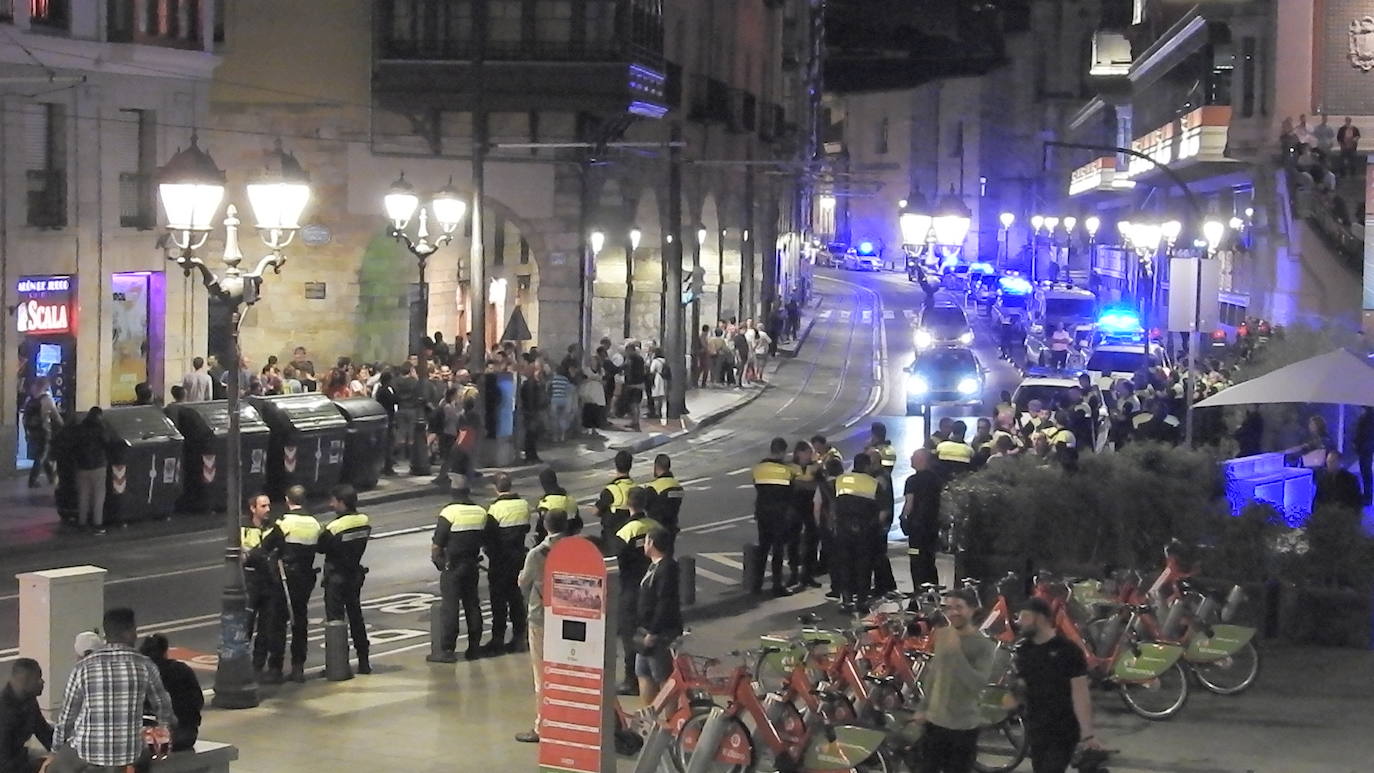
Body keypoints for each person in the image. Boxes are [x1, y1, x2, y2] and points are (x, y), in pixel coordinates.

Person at [50, 608, 173, 773]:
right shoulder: (145, 665)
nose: (136, 635)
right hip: (130, 753)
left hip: (88, 752)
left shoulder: (83, 667)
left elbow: (66, 718)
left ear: (107, 634)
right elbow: (164, 709)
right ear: (128, 632)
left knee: (55, 767)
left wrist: (56, 749)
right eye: (134, 630)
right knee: (144, 756)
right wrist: (166, 730)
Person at [1014, 598, 1101, 773]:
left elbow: (1080, 692)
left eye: (1024, 616)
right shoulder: (1023, 651)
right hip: (1036, 728)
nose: (1018, 622)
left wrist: (1087, 734)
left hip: (1063, 728)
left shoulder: (1068, 650)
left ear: (1039, 618)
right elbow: (1022, 686)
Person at [914, 589, 996, 773]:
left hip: (963, 727)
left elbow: (977, 684)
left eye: (959, 607)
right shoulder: (942, 635)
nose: (953, 612)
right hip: (935, 723)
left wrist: (956, 653)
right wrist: (922, 708)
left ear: (973, 609)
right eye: (948, 608)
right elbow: (933, 675)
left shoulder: (983, 645)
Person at [514, 506, 577, 743]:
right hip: (569, 617)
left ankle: (543, 726)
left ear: (546, 526)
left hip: (541, 617)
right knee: (567, 671)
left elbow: (523, 581)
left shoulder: (537, 553)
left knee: (542, 675)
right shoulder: (575, 549)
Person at [259, 485, 322, 682]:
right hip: (306, 578)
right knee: (300, 621)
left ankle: (275, 668)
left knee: (278, 623)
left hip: (285, 578)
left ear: (288, 501)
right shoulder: (314, 523)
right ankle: (298, 667)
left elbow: (267, 545)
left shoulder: (285, 522)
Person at [430, 478, 492, 664]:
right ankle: (474, 648)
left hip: (453, 566)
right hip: (472, 565)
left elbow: (437, 544)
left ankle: (448, 650)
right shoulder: (481, 512)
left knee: (450, 608)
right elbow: (486, 539)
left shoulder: (449, 512)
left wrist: (440, 563)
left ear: (453, 492)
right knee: (472, 605)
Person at [609, 488, 662, 695]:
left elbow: (616, 561)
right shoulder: (655, 526)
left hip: (630, 588)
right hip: (651, 585)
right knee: (648, 631)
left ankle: (631, 680)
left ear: (629, 505)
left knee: (629, 635)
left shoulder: (625, 532)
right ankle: (653, 675)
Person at [319, 484, 373, 674]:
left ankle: (339, 663)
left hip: (336, 577)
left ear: (342, 503)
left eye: (333, 501)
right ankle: (364, 660)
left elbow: (321, 546)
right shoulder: (364, 520)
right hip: (354, 576)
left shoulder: (335, 527)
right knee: (356, 618)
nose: (331, 504)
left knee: (336, 622)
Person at [485, 473, 534, 655]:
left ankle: (498, 639)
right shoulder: (524, 505)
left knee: (498, 600)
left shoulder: (494, 509)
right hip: (519, 557)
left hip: (499, 560)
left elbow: (490, 535)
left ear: (495, 488)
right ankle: (519, 636)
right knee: (516, 598)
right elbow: (526, 528)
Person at [241, 493, 287, 683]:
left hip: (269, 584)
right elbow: (242, 555)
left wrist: (255, 554)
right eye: (263, 506)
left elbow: (280, 550)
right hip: (250, 584)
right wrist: (259, 553)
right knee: (245, 628)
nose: (268, 509)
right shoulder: (243, 529)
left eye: (268, 506)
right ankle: (241, 665)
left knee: (266, 628)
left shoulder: (274, 529)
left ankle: (257, 666)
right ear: (253, 509)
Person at [635, 526, 682, 703]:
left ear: (652, 543)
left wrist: (653, 632)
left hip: (659, 633)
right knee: (643, 672)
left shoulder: (667, 568)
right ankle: (649, 717)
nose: (644, 545)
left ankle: (670, 720)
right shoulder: (654, 566)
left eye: (646, 541)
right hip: (645, 630)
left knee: (663, 678)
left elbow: (665, 603)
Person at [136, 635, 202, 751]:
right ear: (165, 651)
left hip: (154, 738)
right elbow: (198, 701)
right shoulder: (182, 670)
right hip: (186, 735)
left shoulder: (142, 673)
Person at [833, 453, 880, 612]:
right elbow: (879, 510)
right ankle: (861, 601)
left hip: (843, 529)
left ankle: (846, 600)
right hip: (864, 530)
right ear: (866, 466)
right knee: (863, 566)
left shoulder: (841, 479)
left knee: (845, 564)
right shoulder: (873, 483)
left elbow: (835, 504)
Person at [751, 437, 797, 597]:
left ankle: (756, 585)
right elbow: (791, 493)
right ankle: (777, 585)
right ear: (783, 451)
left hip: (763, 512)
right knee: (777, 551)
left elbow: (758, 487)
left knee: (762, 549)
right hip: (780, 514)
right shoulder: (787, 470)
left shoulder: (759, 468)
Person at [901, 449, 943, 599]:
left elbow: (909, 504)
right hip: (932, 527)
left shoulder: (912, 480)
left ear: (921, 460)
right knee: (929, 560)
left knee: (916, 561)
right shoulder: (936, 479)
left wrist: (903, 518)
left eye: (913, 457)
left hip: (916, 529)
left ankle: (919, 593)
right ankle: (932, 592)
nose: (911, 458)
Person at [0, 659, 51, 773]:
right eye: (38, 678)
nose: (42, 682)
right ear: (25, 680)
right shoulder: (4, 712)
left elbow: (43, 732)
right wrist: (41, 765)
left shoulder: (28, 700)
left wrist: (61, 753)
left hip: (19, 756)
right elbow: (4, 765)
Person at [787, 441, 821, 589]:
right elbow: (788, 487)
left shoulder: (816, 467)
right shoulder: (790, 468)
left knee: (812, 542)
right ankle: (794, 574)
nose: (810, 455)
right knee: (793, 542)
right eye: (808, 452)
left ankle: (809, 575)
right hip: (795, 508)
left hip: (811, 508)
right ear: (799, 453)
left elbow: (821, 484)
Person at [71, 408, 108, 534]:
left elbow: (73, 446)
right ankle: (97, 524)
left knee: (83, 495)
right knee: (98, 496)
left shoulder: (79, 429)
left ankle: (82, 523)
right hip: (98, 465)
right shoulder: (100, 428)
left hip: (82, 466)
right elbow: (107, 442)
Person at [21, 379, 61, 488]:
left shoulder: (30, 399)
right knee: (41, 455)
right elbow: (55, 416)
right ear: (45, 386)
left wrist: (26, 432)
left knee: (44, 454)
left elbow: (24, 419)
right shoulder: (47, 399)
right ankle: (32, 480)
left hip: (32, 431)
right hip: (44, 431)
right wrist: (63, 427)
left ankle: (51, 477)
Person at [595, 450, 636, 547]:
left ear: (616, 465)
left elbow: (596, 511)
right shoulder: (636, 488)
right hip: (631, 535)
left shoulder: (611, 489)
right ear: (630, 466)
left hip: (612, 537)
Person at [644, 454, 685, 534]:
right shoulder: (677, 486)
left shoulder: (653, 487)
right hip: (672, 526)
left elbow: (644, 505)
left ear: (656, 467)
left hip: (656, 529)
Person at [520, 366, 547, 462]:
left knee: (532, 435)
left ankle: (532, 455)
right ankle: (531, 455)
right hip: (532, 413)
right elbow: (532, 399)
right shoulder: (531, 384)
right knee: (531, 435)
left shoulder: (533, 384)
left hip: (532, 412)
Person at [1356, 406, 1374, 506]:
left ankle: (1367, 496)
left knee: (1366, 472)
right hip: (1366, 447)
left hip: (1365, 447)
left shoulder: (1368, 418)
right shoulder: (1368, 417)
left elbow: (1364, 433)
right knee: (1366, 472)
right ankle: (1367, 495)